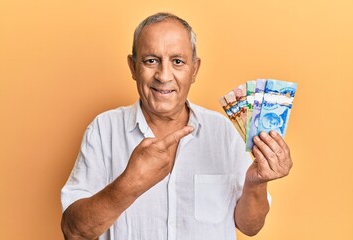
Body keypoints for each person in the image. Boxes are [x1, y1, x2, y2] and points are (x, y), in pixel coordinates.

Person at [61, 12, 293, 240]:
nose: (163, 76)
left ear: (194, 69)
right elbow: (74, 231)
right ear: (133, 67)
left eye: (178, 62)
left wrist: (256, 183)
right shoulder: (103, 130)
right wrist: (130, 183)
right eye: (151, 60)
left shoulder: (223, 131)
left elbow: (249, 226)